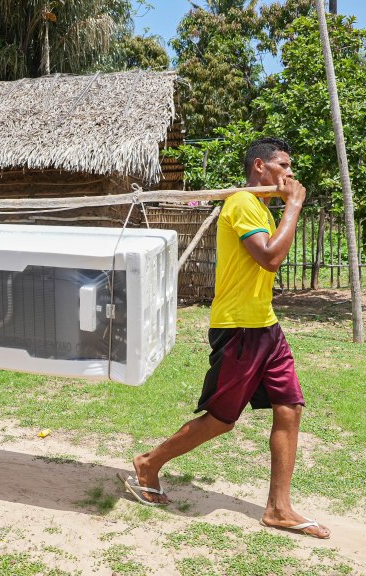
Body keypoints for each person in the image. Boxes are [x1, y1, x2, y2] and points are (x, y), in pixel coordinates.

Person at [122, 137, 330, 539]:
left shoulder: (263, 210)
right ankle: (148, 463)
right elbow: (270, 257)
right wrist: (294, 206)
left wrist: (286, 209)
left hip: (266, 326)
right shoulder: (240, 204)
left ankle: (278, 508)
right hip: (238, 328)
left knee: (290, 408)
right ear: (259, 167)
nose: (289, 173)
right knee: (220, 421)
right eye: (283, 165)